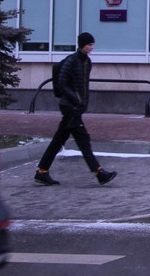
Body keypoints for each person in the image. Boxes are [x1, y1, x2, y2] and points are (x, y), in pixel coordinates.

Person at [35, 32, 117, 186]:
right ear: (82, 45)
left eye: (92, 44)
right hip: (70, 107)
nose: (92, 47)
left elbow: (83, 85)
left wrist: (81, 102)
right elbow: (61, 82)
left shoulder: (87, 62)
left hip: (76, 107)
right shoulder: (72, 60)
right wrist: (76, 99)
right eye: (89, 44)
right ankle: (99, 173)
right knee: (83, 139)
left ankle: (42, 171)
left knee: (58, 140)